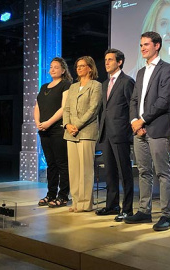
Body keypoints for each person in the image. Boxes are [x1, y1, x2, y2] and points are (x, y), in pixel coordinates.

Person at [124, 31, 170, 231]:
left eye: (146, 44)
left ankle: (166, 215)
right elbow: (134, 100)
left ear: (157, 46)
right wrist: (135, 121)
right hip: (140, 130)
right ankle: (144, 211)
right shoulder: (140, 72)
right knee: (144, 171)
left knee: (163, 173)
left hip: (157, 128)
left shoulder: (167, 69)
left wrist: (143, 120)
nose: (143, 48)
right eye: (141, 45)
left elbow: (163, 101)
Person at [95, 49, 135, 222]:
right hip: (106, 133)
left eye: (110, 60)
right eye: (105, 60)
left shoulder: (127, 82)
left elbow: (131, 107)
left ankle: (127, 209)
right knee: (109, 172)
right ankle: (112, 205)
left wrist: (128, 130)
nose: (107, 63)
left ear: (119, 62)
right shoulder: (105, 84)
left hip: (120, 133)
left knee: (124, 172)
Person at [63, 56, 102, 213]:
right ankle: (76, 201)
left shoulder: (96, 86)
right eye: (77, 66)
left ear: (90, 68)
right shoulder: (73, 87)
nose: (78, 69)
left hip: (86, 131)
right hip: (70, 132)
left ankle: (85, 204)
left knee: (85, 169)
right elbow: (66, 109)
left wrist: (77, 125)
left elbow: (93, 109)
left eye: (82, 66)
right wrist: (67, 125)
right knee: (73, 169)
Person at [35, 57, 72, 208]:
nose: (52, 69)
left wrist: (49, 122)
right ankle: (50, 194)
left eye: (56, 67)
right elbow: (37, 106)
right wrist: (38, 123)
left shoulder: (66, 84)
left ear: (63, 70)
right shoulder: (44, 87)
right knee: (50, 164)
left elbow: (64, 108)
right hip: (43, 130)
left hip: (57, 129)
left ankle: (63, 196)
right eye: (51, 67)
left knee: (62, 164)